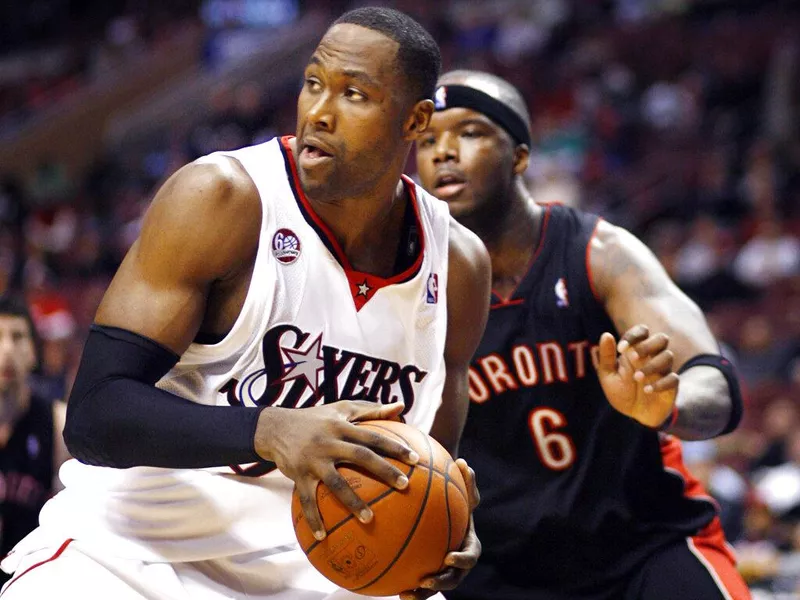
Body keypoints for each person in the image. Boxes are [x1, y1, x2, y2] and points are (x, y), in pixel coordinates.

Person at [0, 10, 491, 600]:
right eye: (314, 84)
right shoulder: (223, 199)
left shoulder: (458, 265)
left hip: (325, 573)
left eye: (354, 93)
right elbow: (94, 417)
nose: (319, 113)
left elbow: (429, 468)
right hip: (139, 557)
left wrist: (444, 529)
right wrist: (269, 430)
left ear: (415, 120)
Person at [416, 70, 751, 600]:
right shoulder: (416, 289)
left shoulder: (599, 253)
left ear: (520, 156)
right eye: (428, 140)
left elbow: (718, 384)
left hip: (640, 545)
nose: (444, 153)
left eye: (471, 132)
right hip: (496, 567)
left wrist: (667, 405)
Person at [0, 294, 69, 586]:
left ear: (33, 352)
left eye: (17, 337)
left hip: (30, 582)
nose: (7, 350)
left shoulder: (58, 424)